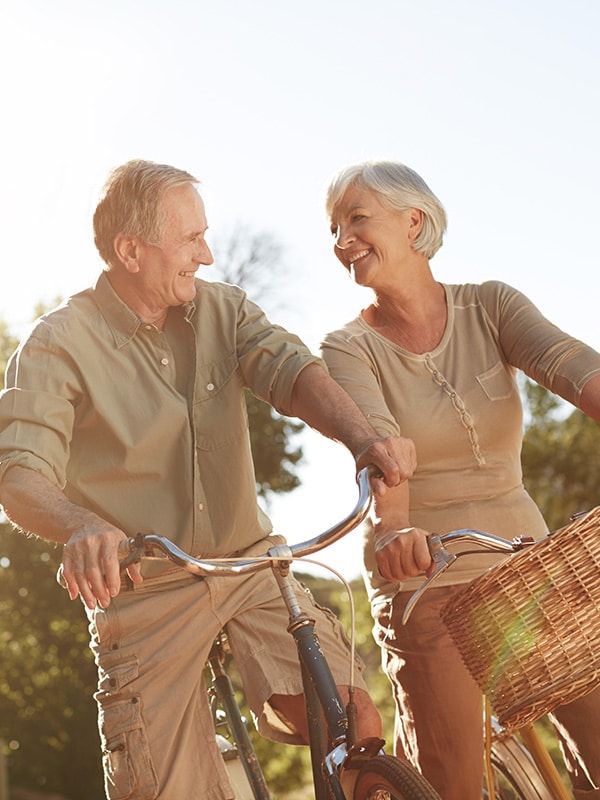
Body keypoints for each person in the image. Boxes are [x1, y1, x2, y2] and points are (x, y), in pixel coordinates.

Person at [0, 159, 418, 800]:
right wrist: (81, 524)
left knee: (352, 718)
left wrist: (363, 440)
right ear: (130, 250)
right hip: (146, 592)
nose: (208, 252)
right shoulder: (58, 345)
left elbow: (289, 369)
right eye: (191, 239)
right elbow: (19, 472)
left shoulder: (224, 312)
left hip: (248, 566)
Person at [320, 159, 600, 800]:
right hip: (426, 571)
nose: (341, 241)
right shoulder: (347, 348)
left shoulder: (490, 306)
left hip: (528, 562)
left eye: (356, 219)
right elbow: (379, 446)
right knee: (452, 779)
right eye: (333, 229)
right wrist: (394, 529)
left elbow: (569, 364)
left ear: (413, 221)